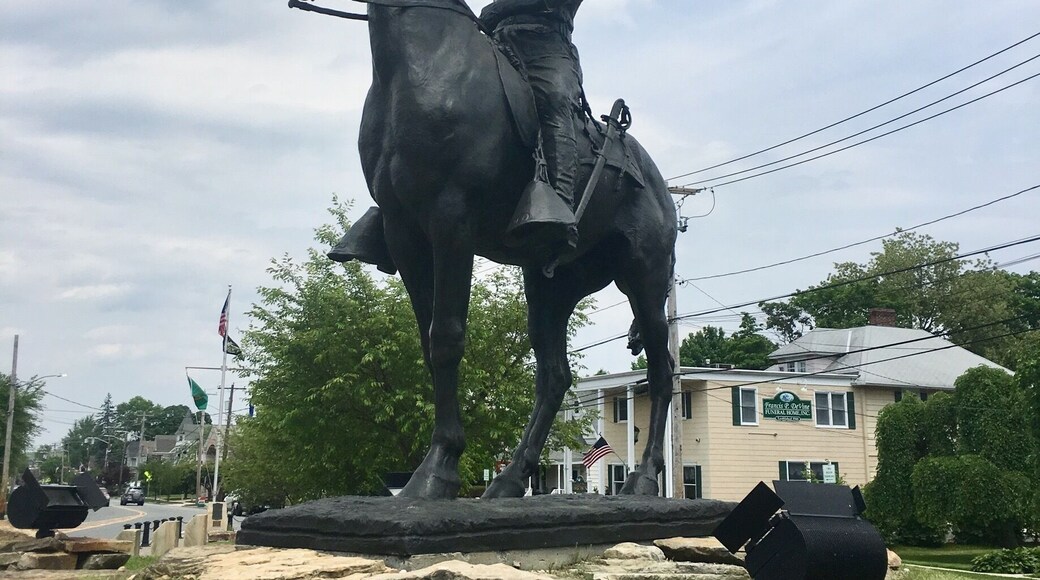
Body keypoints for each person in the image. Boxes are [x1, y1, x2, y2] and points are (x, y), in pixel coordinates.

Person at [481, 0, 585, 249]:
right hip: (495, 44)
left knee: (555, 99)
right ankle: (396, 202)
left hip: (546, 45)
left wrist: (496, 10)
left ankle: (561, 208)